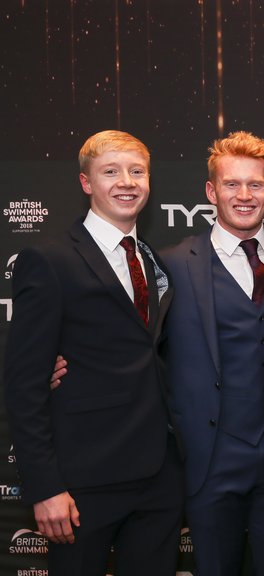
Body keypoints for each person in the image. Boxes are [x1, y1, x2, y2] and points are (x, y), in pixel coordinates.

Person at [3, 130, 182, 575]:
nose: (127, 182)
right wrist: (45, 487)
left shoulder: (151, 259)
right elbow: (24, 385)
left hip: (158, 476)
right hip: (83, 483)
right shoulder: (49, 260)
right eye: (111, 172)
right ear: (86, 182)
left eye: (137, 171)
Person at [159, 131, 264, 575]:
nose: (244, 195)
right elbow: (137, 347)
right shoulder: (174, 264)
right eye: (232, 184)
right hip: (211, 456)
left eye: (255, 184)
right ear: (211, 192)